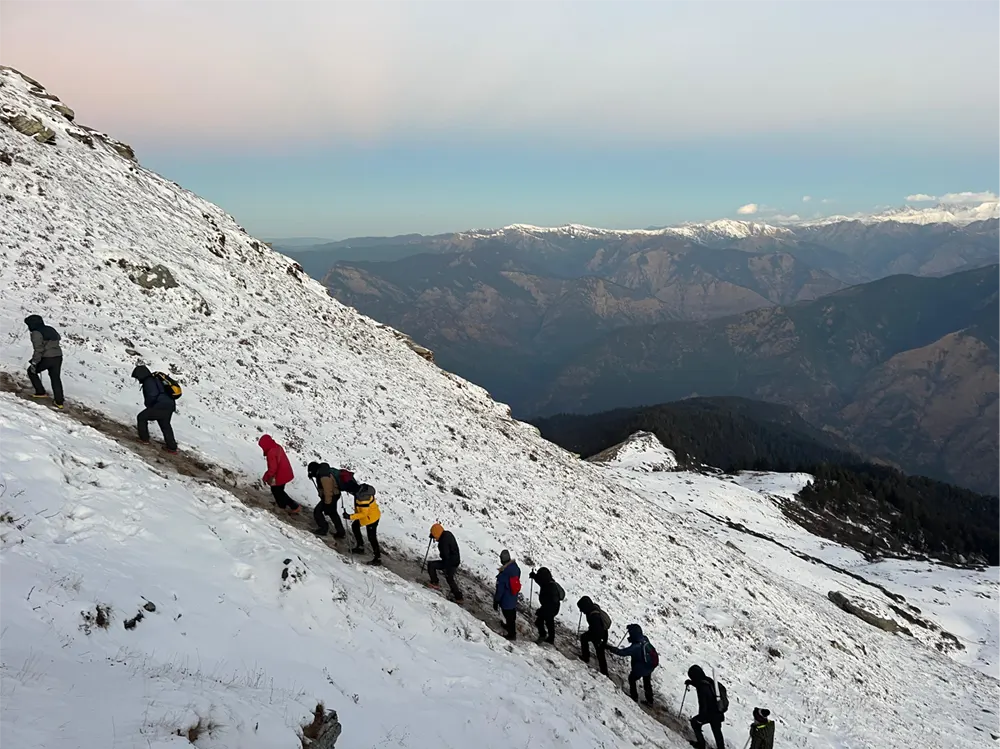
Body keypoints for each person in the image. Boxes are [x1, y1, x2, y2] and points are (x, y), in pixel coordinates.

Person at [606, 623, 658, 705]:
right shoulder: (645, 639)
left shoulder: (636, 647)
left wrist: (610, 648)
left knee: (632, 678)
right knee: (647, 682)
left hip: (640, 668)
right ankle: (650, 701)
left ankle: (634, 697)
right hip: (649, 666)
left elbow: (623, 653)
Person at [131, 365, 177, 453]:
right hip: (170, 405)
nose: (137, 379)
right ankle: (172, 448)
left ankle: (144, 439)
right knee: (165, 425)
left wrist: (149, 405)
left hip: (160, 405)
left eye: (137, 377)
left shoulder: (149, 381)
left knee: (141, 417)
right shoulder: (155, 379)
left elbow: (152, 395)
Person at [24, 315, 64, 408]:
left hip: (47, 358)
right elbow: (58, 337)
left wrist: (34, 362)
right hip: (58, 356)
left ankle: (40, 392)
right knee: (55, 378)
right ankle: (59, 402)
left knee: (31, 371)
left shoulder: (36, 333)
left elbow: (38, 350)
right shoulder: (50, 329)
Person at [686, 665, 726, 749]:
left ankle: (701, 745)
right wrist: (691, 683)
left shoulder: (702, 688)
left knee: (695, 723)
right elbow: (700, 684)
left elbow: (703, 705)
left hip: (710, 713)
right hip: (718, 711)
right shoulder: (707, 680)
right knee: (717, 732)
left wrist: (700, 719)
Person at [258, 435, 300, 514]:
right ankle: (282, 505)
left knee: (278, 492)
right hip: (285, 472)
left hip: (280, 474)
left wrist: (266, 476)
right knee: (278, 490)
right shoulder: (277, 447)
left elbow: (273, 468)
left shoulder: (271, 452)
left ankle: (294, 506)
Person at [306, 462, 349, 537]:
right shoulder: (322, 472)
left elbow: (327, 490)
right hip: (335, 495)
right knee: (332, 513)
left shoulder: (323, 476)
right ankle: (341, 532)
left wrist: (327, 503)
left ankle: (323, 529)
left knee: (318, 511)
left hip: (331, 496)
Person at [343, 483, 381, 565]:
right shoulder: (362, 491)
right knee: (355, 526)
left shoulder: (363, 498)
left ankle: (378, 558)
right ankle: (360, 546)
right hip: (371, 515)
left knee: (372, 537)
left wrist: (350, 516)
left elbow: (364, 514)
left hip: (371, 518)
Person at [427, 523, 463, 601]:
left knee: (432, 566)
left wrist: (445, 568)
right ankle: (458, 597)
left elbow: (445, 555)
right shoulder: (447, 533)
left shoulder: (442, 542)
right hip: (455, 560)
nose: (435, 539)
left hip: (450, 562)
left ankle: (435, 583)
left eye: (434, 535)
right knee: (449, 578)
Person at [577, 596, 610, 675]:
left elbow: (597, 628)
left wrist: (598, 639)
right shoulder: (593, 609)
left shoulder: (593, 615)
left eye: (581, 608)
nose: (581, 610)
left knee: (599, 651)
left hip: (599, 634)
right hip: (602, 633)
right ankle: (604, 671)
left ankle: (604, 672)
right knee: (600, 652)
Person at [528, 567, 562, 644]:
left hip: (551, 607)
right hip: (551, 607)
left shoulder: (549, 587)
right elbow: (540, 581)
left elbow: (549, 602)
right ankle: (549, 637)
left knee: (545, 621)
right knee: (548, 622)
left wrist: (541, 611)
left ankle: (546, 637)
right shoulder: (548, 582)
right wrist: (534, 576)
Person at [493, 550, 521, 641]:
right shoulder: (515, 568)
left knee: (508, 615)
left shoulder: (504, 574)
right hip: (513, 596)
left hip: (506, 598)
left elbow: (500, 590)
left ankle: (511, 634)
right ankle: (508, 627)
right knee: (512, 613)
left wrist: (496, 600)